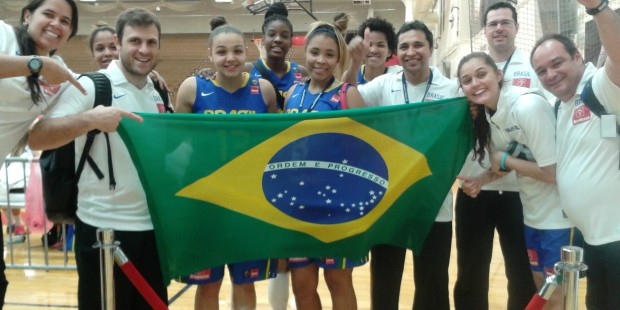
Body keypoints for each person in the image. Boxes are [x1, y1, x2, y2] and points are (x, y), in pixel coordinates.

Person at [27, 8, 168, 309]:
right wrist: (90, 119)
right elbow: (37, 137)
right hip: (103, 231)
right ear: (118, 43)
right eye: (135, 41)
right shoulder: (91, 85)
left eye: (151, 42)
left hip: (151, 230)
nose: (144, 50)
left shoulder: (157, 91)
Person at [346, 20, 457, 310]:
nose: (411, 52)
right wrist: (354, 64)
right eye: (405, 46)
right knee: (384, 282)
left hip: (434, 204)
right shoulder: (384, 84)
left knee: (433, 284)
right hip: (390, 201)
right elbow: (348, 102)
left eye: (418, 44)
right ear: (397, 52)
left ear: (431, 48)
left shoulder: (451, 90)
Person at [457, 52, 575, 310]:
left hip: (559, 217)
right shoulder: (492, 115)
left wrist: (504, 162)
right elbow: (508, 161)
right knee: (543, 293)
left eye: (481, 74)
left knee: (557, 297)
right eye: (467, 80)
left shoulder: (527, 107)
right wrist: (482, 178)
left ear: (498, 75)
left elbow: (554, 174)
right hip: (533, 215)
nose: (475, 83)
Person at [175, 23, 278, 310]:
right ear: (210, 55)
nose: (229, 58)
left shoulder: (265, 91)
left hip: (248, 201)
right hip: (205, 202)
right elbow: (172, 142)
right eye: (221, 52)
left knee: (245, 283)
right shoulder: (192, 88)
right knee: (207, 285)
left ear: (246, 52)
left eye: (236, 51)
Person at [530, 0, 620, 308]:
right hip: (593, 240)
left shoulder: (599, 88)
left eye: (557, 64)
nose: (550, 75)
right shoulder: (560, 105)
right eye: (541, 71)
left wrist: (598, 8)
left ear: (578, 56)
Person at [453, 2, 537, 309]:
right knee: (471, 272)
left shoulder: (534, 68)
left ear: (516, 26)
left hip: (522, 191)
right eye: (492, 23)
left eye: (505, 22)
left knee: (521, 272)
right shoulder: (463, 81)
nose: (499, 28)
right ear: (485, 30)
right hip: (476, 190)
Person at [0, 0, 84, 306]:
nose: (56, 24)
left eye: (65, 20)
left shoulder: (61, 78)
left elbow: (37, 139)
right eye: (48, 14)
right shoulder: (4, 36)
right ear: (27, 16)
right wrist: (34, 64)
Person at [283, 22, 365, 310]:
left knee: (338, 282)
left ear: (338, 58)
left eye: (329, 55)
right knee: (302, 287)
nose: (321, 60)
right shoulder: (292, 92)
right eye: (315, 52)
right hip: (296, 205)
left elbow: (369, 149)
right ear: (305, 52)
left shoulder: (348, 94)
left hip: (337, 205)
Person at [250, 2, 308, 113]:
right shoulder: (248, 70)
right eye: (272, 34)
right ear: (263, 40)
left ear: (291, 42)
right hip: (262, 130)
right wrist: (208, 74)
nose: (278, 39)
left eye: (284, 36)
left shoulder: (302, 72)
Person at [342, 17, 398, 85]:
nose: (373, 50)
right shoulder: (349, 75)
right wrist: (355, 62)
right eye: (369, 44)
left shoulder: (395, 77)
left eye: (380, 45)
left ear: (389, 51)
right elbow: (346, 94)